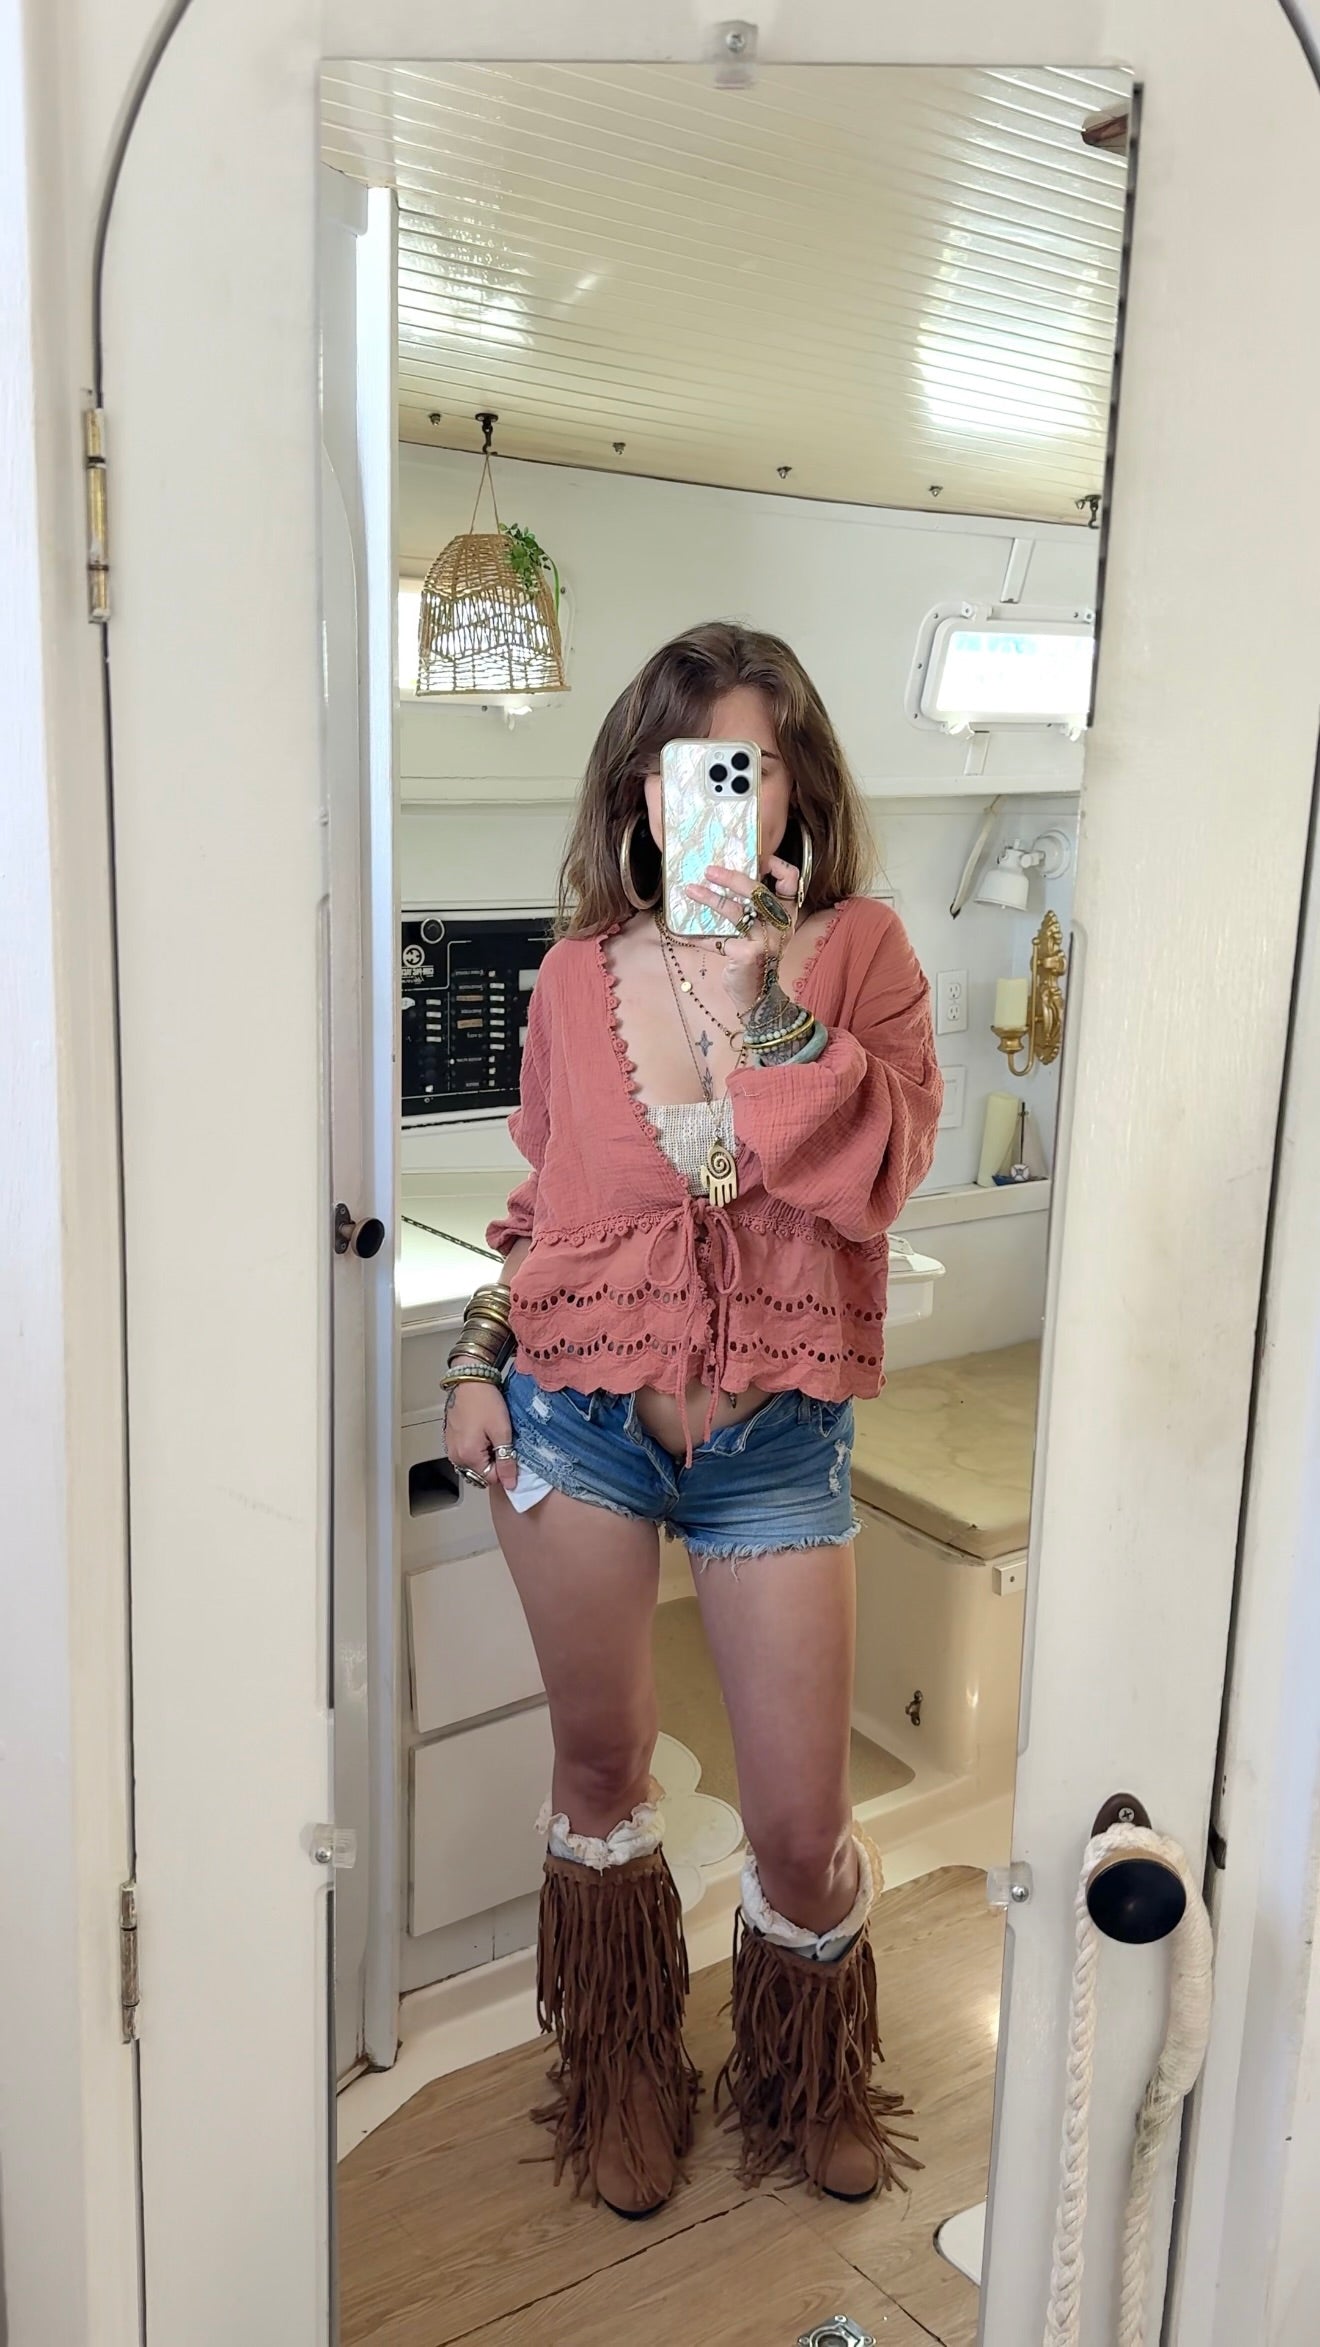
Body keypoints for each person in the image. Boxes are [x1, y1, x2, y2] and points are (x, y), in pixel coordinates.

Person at [442, 621, 942, 2219]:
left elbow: (876, 1178)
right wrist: (475, 1357)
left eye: (756, 764)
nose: (725, 793)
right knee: (601, 1768)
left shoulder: (860, 951)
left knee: (798, 1824)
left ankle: (810, 2074)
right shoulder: (571, 977)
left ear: (797, 791)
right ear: (641, 794)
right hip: (576, 1420)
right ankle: (623, 2075)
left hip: (773, 1442)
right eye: (694, 765)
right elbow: (547, 1208)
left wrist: (759, 996)